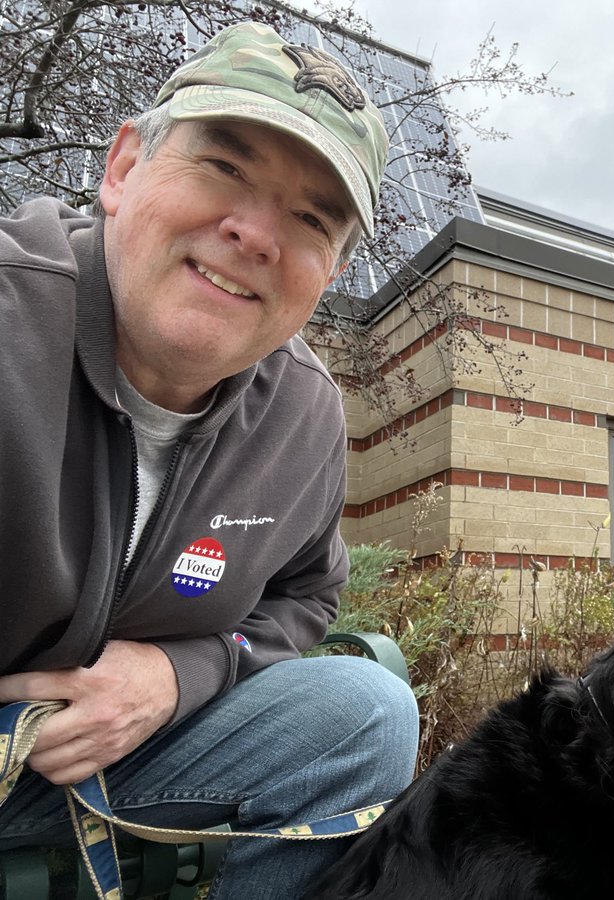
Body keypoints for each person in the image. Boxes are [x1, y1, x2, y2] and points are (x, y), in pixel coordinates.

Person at [0, 21, 418, 898]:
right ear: (121, 170)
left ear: (331, 273)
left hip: (104, 768)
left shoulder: (304, 418)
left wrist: (178, 672)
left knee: (365, 713)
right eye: (225, 167)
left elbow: (307, 595)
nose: (256, 234)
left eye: (312, 219)